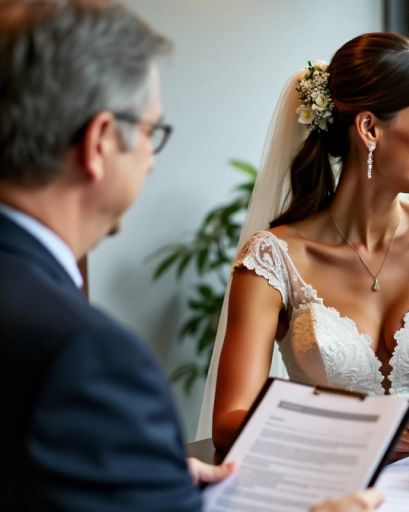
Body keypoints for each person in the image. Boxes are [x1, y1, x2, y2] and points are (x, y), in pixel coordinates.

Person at [0, 1, 380, 510]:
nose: (152, 163)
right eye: (151, 132)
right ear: (100, 142)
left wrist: (147, 479)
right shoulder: (87, 356)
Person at [202, 32, 409, 458]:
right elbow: (230, 421)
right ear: (370, 128)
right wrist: (365, 432)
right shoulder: (272, 259)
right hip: (328, 491)